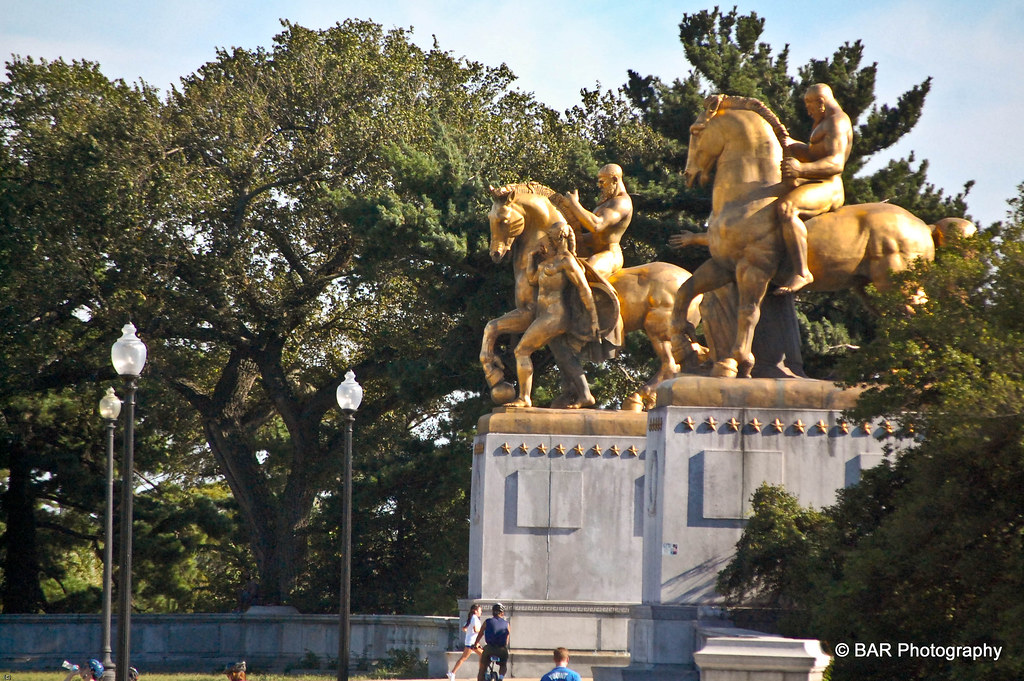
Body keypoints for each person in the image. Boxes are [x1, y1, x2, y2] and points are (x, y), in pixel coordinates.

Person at [507, 222, 601, 409]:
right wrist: (532, 259)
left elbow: (584, 290)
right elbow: (533, 280)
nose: (546, 241)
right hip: (545, 314)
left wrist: (594, 318)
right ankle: (585, 395)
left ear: (559, 238)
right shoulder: (549, 262)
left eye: (549, 237)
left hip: (555, 316)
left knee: (521, 351)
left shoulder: (567, 261)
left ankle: (524, 398)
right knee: (565, 356)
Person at [774, 83, 853, 294]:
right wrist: (793, 145)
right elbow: (815, 152)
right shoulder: (824, 121)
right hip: (817, 181)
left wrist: (800, 168)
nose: (807, 109)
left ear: (821, 102)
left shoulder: (837, 123)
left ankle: (802, 272)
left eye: (810, 104)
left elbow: (836, 163)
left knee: (787, 208)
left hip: (830, 186)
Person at [557, 163, 633, 280]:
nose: (599, 186)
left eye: (602, 182)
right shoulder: (606, 202)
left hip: (610, 255)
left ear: (614, 180)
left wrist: (574, 205)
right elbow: (595, 236)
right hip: (593, 252)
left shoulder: (622, 202)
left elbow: (597, 225)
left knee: (586, 273)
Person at [474, 603, 511, 681]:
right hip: (501, 649)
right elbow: (507, 639)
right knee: (503, 665)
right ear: (502, 613)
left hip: (489, 648)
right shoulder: (507, 624)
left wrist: (476, 643)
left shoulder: (487, 621)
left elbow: (480, 634)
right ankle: (501, 678)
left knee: (482, 668)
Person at [448, 603, 483, 680]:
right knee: (464, 658)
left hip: (472, 642)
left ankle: (481, 672)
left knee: (482, 655)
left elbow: (464, 628)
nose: (481, 612)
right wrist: (483, 631)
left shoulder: (472, 618)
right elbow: (475, 630)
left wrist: (469, 633)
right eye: (480, 610)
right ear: (476, 611)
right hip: (472, 643)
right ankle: (452, 673)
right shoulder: (474, 618)